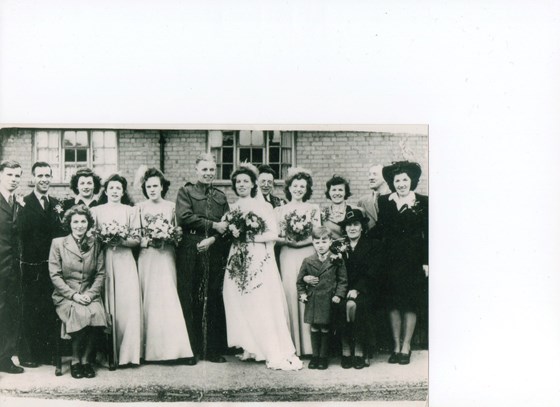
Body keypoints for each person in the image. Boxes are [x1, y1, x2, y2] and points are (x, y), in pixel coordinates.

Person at [222, 165, 302, 370]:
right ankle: (250, 345)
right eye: (238, 182)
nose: (241, 185)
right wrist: (232, 232)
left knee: (258, 299)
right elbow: (227, 233)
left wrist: (249, 236)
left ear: (253, 184)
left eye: (245, 181)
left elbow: (273, 234)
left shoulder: (263, 206)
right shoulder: (231, 208)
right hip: (237, 255)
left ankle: (265, 347)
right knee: (237, 297)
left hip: (257, 256)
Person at [176, 154, 230, 363]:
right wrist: (213, 225)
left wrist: (215, 237)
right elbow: (185, 217)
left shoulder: (220, 196)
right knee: (191, 298)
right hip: (191, 249)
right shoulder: (186, 192)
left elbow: (227, 224)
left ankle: (212, 350)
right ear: (196, 170)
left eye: (211, 170)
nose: (208, 173)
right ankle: (192, 350)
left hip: (214, 249)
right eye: (204, 170)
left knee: (213, 296)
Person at [137, 168, 194, 364]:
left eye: (156, 185)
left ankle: (174, 350)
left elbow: (179, 232)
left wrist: (169, 236)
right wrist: (148, 241)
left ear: (162, 187)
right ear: (144, 188)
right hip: (148, 256)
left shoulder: (171, 207)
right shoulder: (139, 208)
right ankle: (149, 352)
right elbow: (136, 235)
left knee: (168, 298)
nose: (152, 189)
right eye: (149, 186)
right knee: (150, 300)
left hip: (166, 255)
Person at [373, 161, 428, 365]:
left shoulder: (422, 201)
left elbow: (428, 233)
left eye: (405, 179)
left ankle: (407, 346)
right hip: (391, 260)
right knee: (393, 304)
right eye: (397, 180)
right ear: (392, 183)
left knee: (410, 304)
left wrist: (426, 261)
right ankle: (396, 346)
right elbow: (380, 229)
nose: (401, 183)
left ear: (411, 181)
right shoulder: (385, 201)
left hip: (413, 260)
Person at [49, 205, 107, 379]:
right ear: (69, 224)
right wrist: (73, 295)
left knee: (97, 312)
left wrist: (90, 294)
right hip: (66, 295)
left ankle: (86, 360)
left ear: (88, 224)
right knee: (79, 312)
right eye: (76, 222)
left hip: (89, 292)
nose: (79, 225)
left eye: (83, 221)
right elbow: (55, 275)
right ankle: (75, 361)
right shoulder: (58, 243)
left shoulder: (95, 244)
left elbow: (101, 273)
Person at [91, 174, 142, 367]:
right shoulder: (96, 211)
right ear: (106, 190)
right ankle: (106, 353)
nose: (114, 191)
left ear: (123, 191)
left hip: (125, 260)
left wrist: (120, 240)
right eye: (111, 188)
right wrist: (104, 239)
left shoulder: (131, 211)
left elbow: (136, 239)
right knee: (106, 304)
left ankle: (128, 354)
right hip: (104, 259)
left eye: (118, 188)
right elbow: (92, 237)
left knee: (127, 305)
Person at [17, 162, 65, 368]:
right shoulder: (23, 203)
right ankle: (29, 354)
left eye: (48, 175)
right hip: (31, 265)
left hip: (52, 266)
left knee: (49, 308)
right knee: (30, 309)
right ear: (33, 178)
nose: (44, 179)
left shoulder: (56, 203)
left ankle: (47, 353)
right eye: (40, 175)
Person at [275, 168, 321, 356]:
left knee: (309, 293)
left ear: (307, 188)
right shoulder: (280, 210)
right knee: (291, 293)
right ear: (289, 188)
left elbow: (318, 234)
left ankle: (311, 347)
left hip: (307, 253)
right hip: (287, 253)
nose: (299, 189)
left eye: (303, 186)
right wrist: (287, 240)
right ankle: (292, 346)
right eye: (295, 185)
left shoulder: (313, 209)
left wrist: (302, 241)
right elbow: (276, 235)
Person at [338, 208, 384, 369]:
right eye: (348, 225)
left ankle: (359, 349)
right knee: (339, 305)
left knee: (361, 305)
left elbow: (374, 271)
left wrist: (357, 289)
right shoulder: (338, 246)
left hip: (365, 288)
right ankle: (345, 349)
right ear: (344, 228)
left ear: (362, 227)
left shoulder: (373, 245)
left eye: (356, 224)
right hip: (342, 288)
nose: (352, 228)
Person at [296, 226, 347, 370]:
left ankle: (323, 357)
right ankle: (315, 356)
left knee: (325, 328)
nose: (321, 245)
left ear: (331, 242)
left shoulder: (336, 259)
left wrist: (338, 295)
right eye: (317, 242)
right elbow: (299, 282)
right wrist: (302, 294)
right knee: (314, 328)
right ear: (313, 243)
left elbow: (343, 280)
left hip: (328, 299)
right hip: (313, 300)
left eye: (324, 241)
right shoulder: (308, 260)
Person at [0, 160, 25, 374]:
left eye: (17, 176)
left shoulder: (16, 201)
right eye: (9, 175)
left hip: (13, 269)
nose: (14, 179)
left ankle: (5, 358)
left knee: (9, 313)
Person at [357, 164, 391, 232]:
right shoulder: (362, 202)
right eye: (369, 174)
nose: (370, 178)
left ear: (385, 177)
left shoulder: (394, 198)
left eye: (375, 174)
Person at [321, 175, 354, 240]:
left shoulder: (355, 210)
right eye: (334, 190)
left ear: (345, 192)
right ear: (329, 192)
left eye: (340, 190)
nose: (337, 193)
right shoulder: (322, 213)